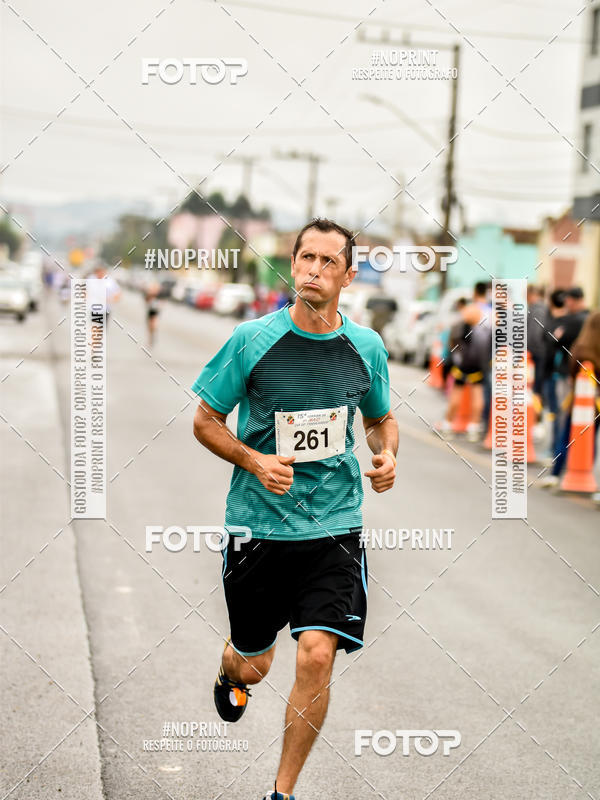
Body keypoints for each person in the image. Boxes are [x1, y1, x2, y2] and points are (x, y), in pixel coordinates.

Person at [191, 218, 398, 800]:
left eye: (328, 261)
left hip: (334, 528)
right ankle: (233, 668)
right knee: (257, 664)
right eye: (306, 257)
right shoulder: (252, 340)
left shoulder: (367, 347)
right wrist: (255, 461)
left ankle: (281, 792)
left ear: (348, 275)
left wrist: (386, 456)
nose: (313, 269)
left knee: (316, 653)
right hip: (258, 527)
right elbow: (206, 422)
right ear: (294, 262)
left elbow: (381, 420)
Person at [539, 310, 600, 488]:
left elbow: (572, 370)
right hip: (597, 402)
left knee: (566, 436)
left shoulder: (582, 348)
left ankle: (556, 472)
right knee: (591, 438)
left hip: (579, 402)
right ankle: (585, 471)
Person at [438, 300, 491, 442]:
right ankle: (473, 427)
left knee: (456, 394)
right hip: (478, 367)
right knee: (477, 396)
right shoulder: (485, 330)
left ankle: (448, 424)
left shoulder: (458, 327)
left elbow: (452, 346)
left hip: (461, 366)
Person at [144, 280, 162, 348]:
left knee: (153, 324)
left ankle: (153, 336)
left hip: (156, 311)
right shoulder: (149, 294)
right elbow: (146, 301)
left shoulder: (159, 295)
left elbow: (162, 302)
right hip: (150, 310)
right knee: (149, 326)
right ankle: (151, 338)